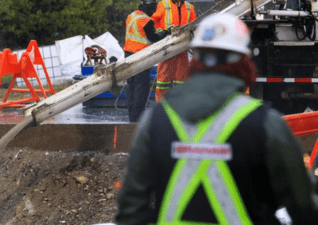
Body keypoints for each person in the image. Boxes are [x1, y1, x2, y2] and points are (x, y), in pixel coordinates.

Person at [115, 13, 318, 224]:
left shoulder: (155, 121)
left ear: (196, 60)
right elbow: (303, 209)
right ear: (244, 62)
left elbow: (130, 212)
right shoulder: (267, 124)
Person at [124, 0, 170, 122]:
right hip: (141, 57)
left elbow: (138, 34)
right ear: (150, 6)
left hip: (128, 55)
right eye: (154, 7)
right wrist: (166, 32)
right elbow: (154, 37)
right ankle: (137, 118)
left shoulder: (131, 16)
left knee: (131, 87)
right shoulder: (146, 20)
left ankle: (132, 116)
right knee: (141, 89)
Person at [152, 0, 197, 102]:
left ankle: (180, 106)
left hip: (182, 48)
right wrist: (162, 31)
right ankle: (161, 106)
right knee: (163, 80)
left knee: (181, 79)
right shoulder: (164, 5)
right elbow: (153, 21)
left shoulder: (189, 8)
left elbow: (194, 25)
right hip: (166, 47)